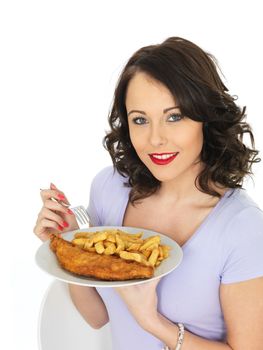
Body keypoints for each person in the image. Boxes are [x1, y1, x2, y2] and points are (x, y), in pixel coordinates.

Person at [34, 37, 263, 350]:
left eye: (174, 116)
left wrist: (153, 322)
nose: (156, 139)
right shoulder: (109, 189)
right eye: (140, 120)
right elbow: (97, 316)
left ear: (205, 119)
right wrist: (66, 244)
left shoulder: (243, 228)